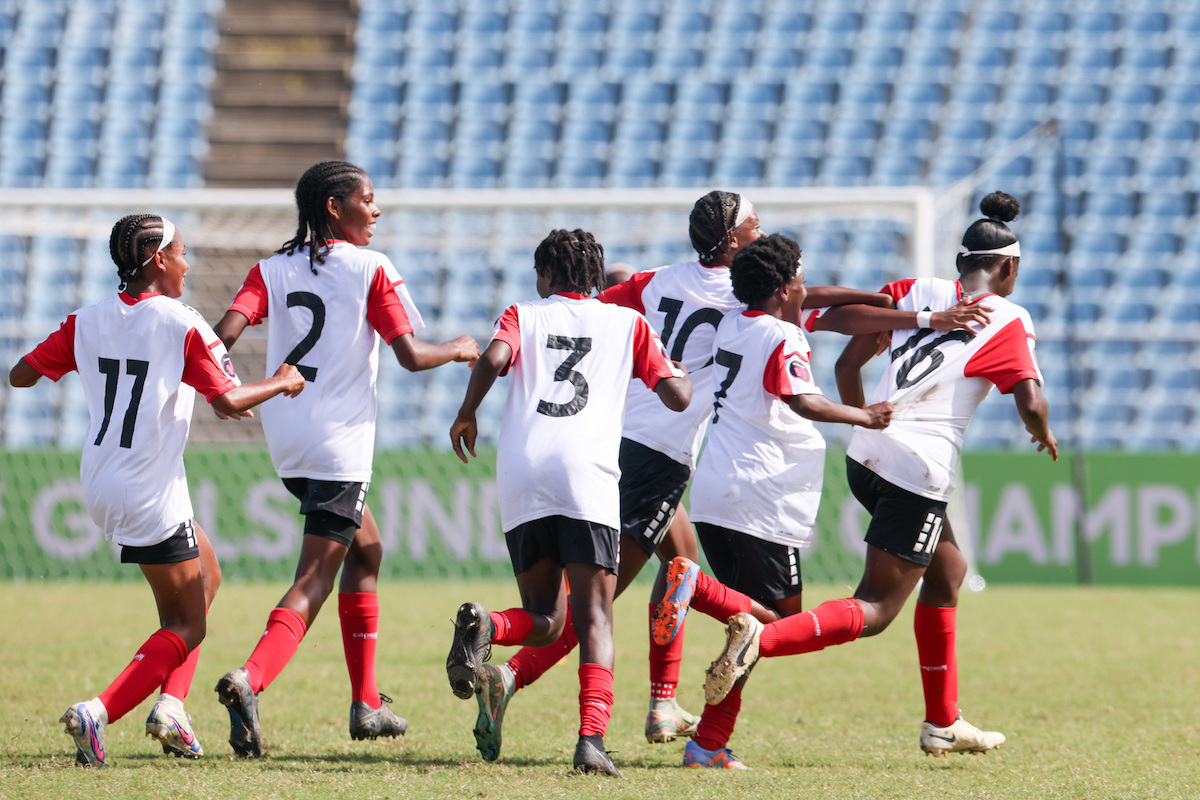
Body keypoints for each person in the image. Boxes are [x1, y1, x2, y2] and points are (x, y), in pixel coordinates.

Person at [467, 191, 991, 763]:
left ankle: (671, 710)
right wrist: (917, 315)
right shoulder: (745, 304)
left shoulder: (657, 279)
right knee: (598, 603)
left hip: (625, 441)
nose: (763, 232)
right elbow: (821, 308)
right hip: (664, 451)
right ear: (735, 242)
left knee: (676, 554)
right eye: (755, 225)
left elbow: (589, 302)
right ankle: (515, 675)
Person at [667, 192, 1057, 767]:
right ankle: (759, 641)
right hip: (916, 467)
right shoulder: (1011, 318)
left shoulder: (914, 292)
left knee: (948, 568)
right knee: (873, 609)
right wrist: (1042, 431)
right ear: (1010, 268)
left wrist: (868, 430)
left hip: (867, 457)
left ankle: (943, 722)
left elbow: (848, 361)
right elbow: (1029, 398)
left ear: (959, 262)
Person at [8, 214, 305, 767]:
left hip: (101, 476)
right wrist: (285, 380)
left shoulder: (86, 320)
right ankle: (98, 712)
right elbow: (229, 402)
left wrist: (89, 359)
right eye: (182, 253)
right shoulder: (181, 321)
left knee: (207, 574)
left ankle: (172, 707)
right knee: (187, 623)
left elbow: (20, 375)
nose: (188, 264)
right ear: (157, 260)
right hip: (148, 483)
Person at [211, 160, 479, 758]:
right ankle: (250, 679)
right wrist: (460, 348)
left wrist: (223, 389)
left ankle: (367, 704)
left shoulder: (270, 269)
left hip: (289, 440)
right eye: (367, 199)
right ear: (334, 207)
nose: (376, 210)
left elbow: (219, 336)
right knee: (314, 578)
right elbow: (409, 355)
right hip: (339, 445)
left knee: (368, 549)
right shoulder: (371, 268)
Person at [445, 228, 692, 777]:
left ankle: (490, 625)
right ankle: (590, 741)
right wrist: (681, 376)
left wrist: (466, 413)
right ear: (596, 277)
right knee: (593, 615)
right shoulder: (628, 323)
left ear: (548, 276)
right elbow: (676, 397)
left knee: (545, 618)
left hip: (523, 471)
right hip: (588, 478)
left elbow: (494, 357)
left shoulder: (523, 313)